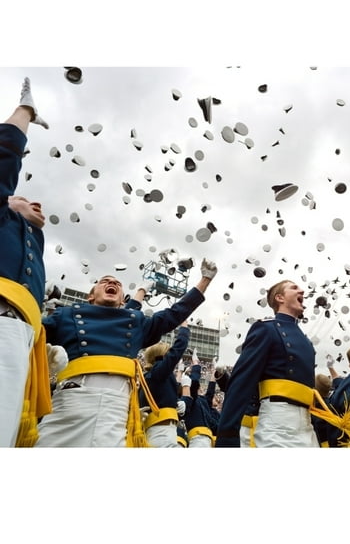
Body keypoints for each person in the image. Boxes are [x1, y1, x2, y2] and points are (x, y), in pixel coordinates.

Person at [35, 259, 217, 447]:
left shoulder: (135, 321)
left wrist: (205, 280)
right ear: (91, 296)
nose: (112, 283)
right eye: (104, 281)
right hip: (69, 401)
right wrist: (42, 355)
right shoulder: (66, 314)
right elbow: (32, 333)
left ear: (123, 301)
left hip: (115, 408)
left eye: (117, 283)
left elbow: (174, 313)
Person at [0, 77, 58, 447]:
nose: (37, 205)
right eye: (26, 199)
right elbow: (4, 155)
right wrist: (26, 111)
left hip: (19, 339)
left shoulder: (34, 249)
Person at [215, 280, 319, 447]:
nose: (302, 290)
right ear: (280, 298)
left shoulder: (306, 341)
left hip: (307, 425)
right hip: (278, 423)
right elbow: (241, 382)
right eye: (294, 288)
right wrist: (227, 434)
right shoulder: (266, 329)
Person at [139, 320, 190, 447]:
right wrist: (184, 327)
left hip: (162, 431)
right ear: (163, 355)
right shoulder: (158, 372)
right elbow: (178, 348)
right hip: (161, 432)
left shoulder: (153, 376)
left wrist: (176, 402)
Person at [180, 357, 219, 447]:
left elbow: (211, 388)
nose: (200, 387)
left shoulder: (204, 400)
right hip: (197, 437)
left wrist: (214, 370)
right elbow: (194, 384)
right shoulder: (190, 399)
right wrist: (195, 364)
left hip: (210, 438)